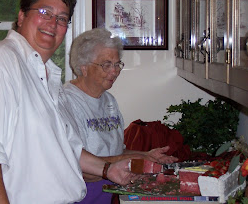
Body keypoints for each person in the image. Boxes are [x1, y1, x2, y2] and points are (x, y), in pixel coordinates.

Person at [0, 0, 139, 204]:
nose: (53, 23)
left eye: (62, 18)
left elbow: (67, 146)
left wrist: (108, 169)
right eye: (45, 12)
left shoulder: (43, 74)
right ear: (22, 16)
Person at [63, 28, 178, 204]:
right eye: (106, 65)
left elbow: (117, 152)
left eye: (117, 64)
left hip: (106, 194)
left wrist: (146, 155)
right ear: (83, 68)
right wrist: (137, 159)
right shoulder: (66, 102)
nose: (115, 71)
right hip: (79, 197)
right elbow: (78, 168)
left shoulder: (109, 101)